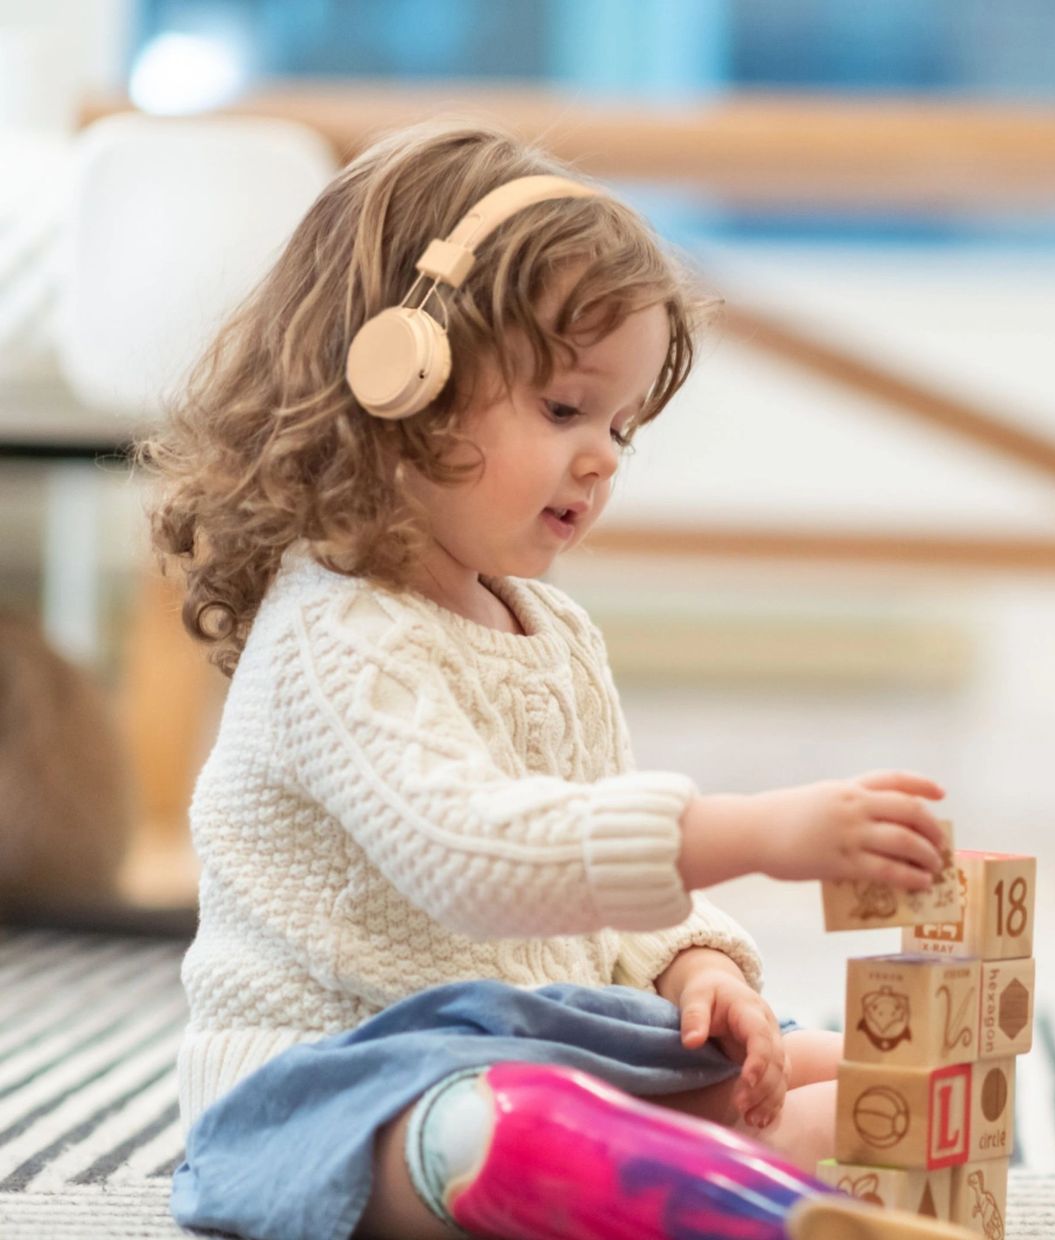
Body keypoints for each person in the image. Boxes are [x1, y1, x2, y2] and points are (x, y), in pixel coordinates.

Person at [140, 119, 958, 1240]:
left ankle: (754, 1192)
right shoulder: (333, 638)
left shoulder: (555, 632)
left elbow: (584, 866)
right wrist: (757, 831)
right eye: (565, 408)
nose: (605, 455)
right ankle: (736, 1202)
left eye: (621, 424)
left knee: (885, 1076)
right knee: (502, 1119)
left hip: (543, 1034)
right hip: (339, 1086)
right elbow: (481, 854)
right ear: (397, 382)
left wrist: (696, 966)